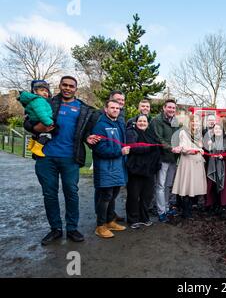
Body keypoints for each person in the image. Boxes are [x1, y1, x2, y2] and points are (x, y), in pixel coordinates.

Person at [30, 76, 97, 245]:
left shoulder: (83, 109)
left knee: (71, 193)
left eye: (71, 86)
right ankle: (56, 229)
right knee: (49, 194)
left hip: (70, 157)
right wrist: (40, 128)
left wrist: (88, 138)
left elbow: (87, 131)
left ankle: (72, 228)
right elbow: (28, 123)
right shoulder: (47, 103)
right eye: (64, 85)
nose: (67, 88)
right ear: (59, 86)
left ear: (76, 88)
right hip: (46, 157)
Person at [91, 100, 129, 238]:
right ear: (105, 109)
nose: (115, 110)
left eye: (117, 108)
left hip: (118, 167)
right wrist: (120, 152)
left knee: (113, 196)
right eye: (112, 108)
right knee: (105, 196)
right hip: (105, 168)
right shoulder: (100, 126)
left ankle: (110, 221)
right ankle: (100, 226)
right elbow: (99, 149)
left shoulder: (119, 124)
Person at [126, 114, 161, 229]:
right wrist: (150, 148)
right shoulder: (132, 132)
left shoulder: (151, 134)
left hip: (149, 170)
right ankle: (133, 219)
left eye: (144, 121)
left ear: (148, 123)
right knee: (133, 195)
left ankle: (144, 218)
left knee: (147, 196)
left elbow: (158, 147)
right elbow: (133, 147)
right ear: (136, 122)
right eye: (140, 121)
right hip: (136, 169)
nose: (142, 123)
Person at [150, 99, 182, 222]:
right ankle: (161, 211)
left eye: (173, 108)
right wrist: (171, 148)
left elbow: (178, 137)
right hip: (162, 157)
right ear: (164, 108)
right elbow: (158, 138)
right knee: (160, 185)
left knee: (168, 185)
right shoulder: (157, 120)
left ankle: (167, 207)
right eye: (169, 107)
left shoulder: (175, 121)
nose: (171, 110)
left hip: (173, 158)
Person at [172, 115, 207, 219]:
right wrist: (193, 150)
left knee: (194, 186)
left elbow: (201, 146)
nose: (195, 123)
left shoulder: (199, 134)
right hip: (187, 162)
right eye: (193, 121)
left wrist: (201, 149)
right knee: (187, 186)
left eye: (197, 121)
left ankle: (190, 209)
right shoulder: (183, 132)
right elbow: (183, 147)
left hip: (197, 162)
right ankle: (185, 212)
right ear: (189, 122)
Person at [205, 123, 226, 218]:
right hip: (212, 167)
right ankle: (213, 205)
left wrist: (224, 156)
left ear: (222, 130)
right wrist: (207, 147)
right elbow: (205, 154)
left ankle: (224, 207)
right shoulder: (210, 140)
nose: (217, 130)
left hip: (224, 167)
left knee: (224, 188)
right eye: (215, 129)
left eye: (219, 128)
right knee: (213, 186)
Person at [18, 80, 55, 157]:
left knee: (37, 134)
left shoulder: (37, 100)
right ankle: (37, 148)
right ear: (35, 91)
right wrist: (49, 122)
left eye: (46, 91)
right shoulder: (39, 101)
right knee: (46, 135)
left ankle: (31, 145)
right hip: (40, 122)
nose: (45, 92)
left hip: (37, 122)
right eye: (42, 90)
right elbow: (41, 114)